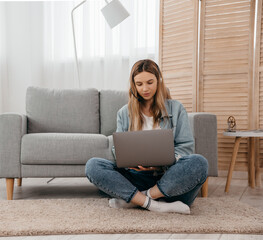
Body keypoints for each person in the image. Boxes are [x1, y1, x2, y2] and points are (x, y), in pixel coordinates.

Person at [85, 59, 208, 214]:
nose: (145, 89)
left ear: (159, 80)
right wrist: (131, 162)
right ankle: (156, 205)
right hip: (136, 177)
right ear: (133, 85)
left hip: (169, 179)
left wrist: (165, 161)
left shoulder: (176, 109)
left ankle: (140, 199)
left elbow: (186, 148)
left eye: (150, 82)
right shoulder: (124, 112)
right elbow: (119, 150)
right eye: (139, 84)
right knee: (93, 165)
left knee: (199, 162)